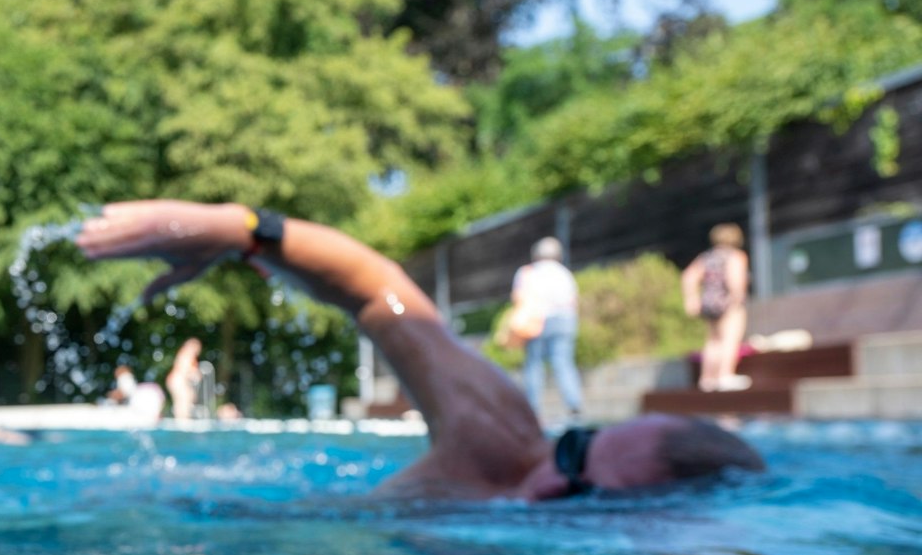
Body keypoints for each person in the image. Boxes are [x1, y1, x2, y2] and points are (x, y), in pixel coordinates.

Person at [76, 201, 764, 499]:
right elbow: (381, 292)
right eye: (573, 447)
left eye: (580, 496)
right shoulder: (500, 435)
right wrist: (243, 227)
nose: (553, 478)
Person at [511, 237, 583, 422]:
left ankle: (533, 410)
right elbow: (573, 301)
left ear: (536, 254)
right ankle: (574, 405)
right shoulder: (564, 274)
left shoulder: (528, 273)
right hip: (565, 320)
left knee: (534, 364)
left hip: (538, 321)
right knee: (563, 362)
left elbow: (518, 297)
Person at [683, 224, 752, 392]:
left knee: (713, 341)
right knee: (730, 338)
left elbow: (688, 276)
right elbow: (735, 280)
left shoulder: (706, 257)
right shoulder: (735, 256)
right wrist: (736, 299)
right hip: (727, 302)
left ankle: (707, 379)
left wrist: (691, 298)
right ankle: (725, 375)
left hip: (709, 302)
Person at [165, 338, 203, 421]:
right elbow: (184, 369)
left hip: (177, 380)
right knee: (184, 400)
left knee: (186, 399)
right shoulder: (187, 354)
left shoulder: (185, 354)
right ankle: (182, 421)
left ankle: (182, 420)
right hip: (178, 380)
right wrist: (194, 374)